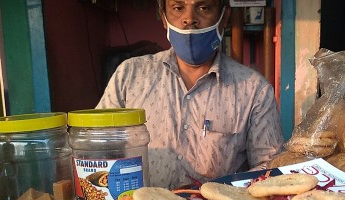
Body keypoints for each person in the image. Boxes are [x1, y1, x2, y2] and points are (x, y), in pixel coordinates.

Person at [97, 0, 284, 189]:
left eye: (203, 8)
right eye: (178, 8)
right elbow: (97, 148)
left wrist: (213, 197)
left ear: (224, 16)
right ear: (163, 16)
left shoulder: (254, 90)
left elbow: (269, 169)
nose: (189, 19)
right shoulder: (129, 76)